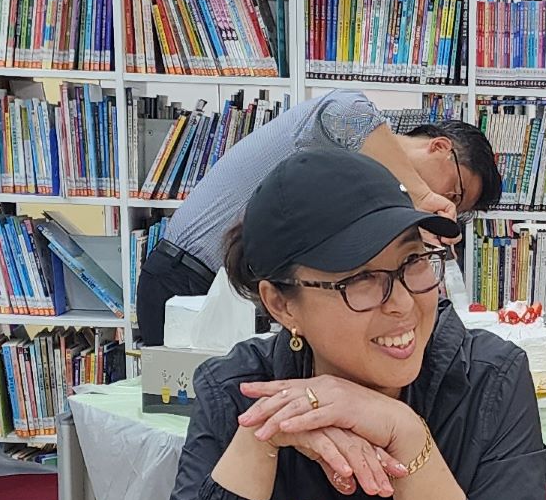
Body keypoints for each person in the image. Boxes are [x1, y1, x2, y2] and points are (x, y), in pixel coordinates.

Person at [144, 144, 546, 500]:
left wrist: (408, 436)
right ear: (282, 305)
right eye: (360, 279)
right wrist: (265, 435)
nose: (402, 303)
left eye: (414, 261)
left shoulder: (490, 378)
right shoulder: (239, 388)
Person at [132, 94, 500, 345]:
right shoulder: (356, 134)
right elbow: (344, 107)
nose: (447, 204)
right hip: (185, 285)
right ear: (439, 147)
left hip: (240, 299)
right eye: (454, 191)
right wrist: (422, 194)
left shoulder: (376, 187)